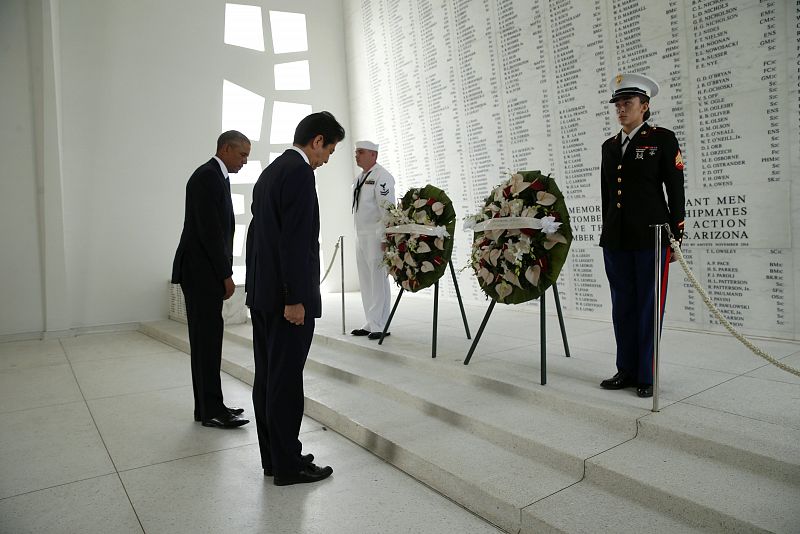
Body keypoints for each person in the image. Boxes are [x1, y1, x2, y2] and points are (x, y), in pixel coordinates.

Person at [245, 111, 345, 486]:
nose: (326, 159)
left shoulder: (271, 172)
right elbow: (295, 242)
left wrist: (258, 290)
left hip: (262, 296)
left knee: (268, 379)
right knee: (286, 382)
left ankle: (274, 457)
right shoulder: (300, 173)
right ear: (317, 141)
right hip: (285, 301)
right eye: (329, 151)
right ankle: (289, 465)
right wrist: (294, 298)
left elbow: (258, 238)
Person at [598, 73, 686, 398]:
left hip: (652, 237)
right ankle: (626, 369)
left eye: (628, 103)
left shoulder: (662, 139)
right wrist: (607, 230)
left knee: (649, 307)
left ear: (644, 106)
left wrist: (676, 237)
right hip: (617, 239)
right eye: (617, 104)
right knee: (622, 306)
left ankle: (647, 375)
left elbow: (675, 191)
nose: (621, 109)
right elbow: (608, 196)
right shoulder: (609, 147)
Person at [171, 131, 251, 428]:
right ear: (226, 148)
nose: (244, 161)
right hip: (201, 272)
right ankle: (211, 410)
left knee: (209, 341)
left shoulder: (217, 176)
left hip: (204, 271)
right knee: (206, 342)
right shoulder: (206, 176)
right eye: (242, 154)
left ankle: (208, 407)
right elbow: (209, 232)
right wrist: (225, 274)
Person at [350, 140, 396, 340]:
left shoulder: (382, 177)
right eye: (356, 152)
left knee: (378, 280)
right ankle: (370, 321)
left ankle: (381, 323)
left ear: (373, 155)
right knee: (366, 279)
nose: (356, 155)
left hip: (376, 236)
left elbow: (387, 209)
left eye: (360, 152)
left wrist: (386, 237)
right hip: (361, 235)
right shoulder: (360, 178)